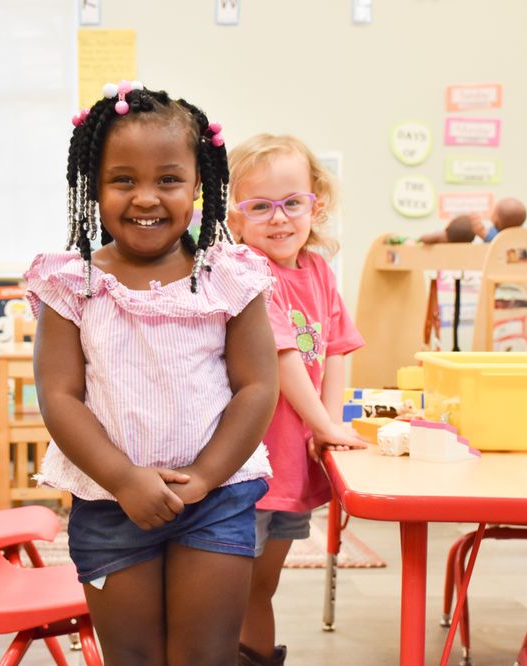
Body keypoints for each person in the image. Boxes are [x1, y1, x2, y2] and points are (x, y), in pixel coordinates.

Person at [26, 81, 280, 666]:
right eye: (123, 180)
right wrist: (123, 479)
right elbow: (59, 395)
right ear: (94, 187)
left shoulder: (230, 276)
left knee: (205, 656)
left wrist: (205, 475)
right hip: (110, 500)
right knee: (133, 657)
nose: (145, 198)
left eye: (168, 179)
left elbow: (257, 386)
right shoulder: (72, 281)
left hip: (217, 496)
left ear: (198, 186)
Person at [227, 134, 366, 665]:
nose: (278, 218)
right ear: (236, 220)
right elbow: (282, 358)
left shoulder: (318, 271)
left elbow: (336, 349)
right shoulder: (247, 272)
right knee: (232, 584)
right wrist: (325, 427)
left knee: (261, 586)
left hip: (293, 458)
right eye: (259, 207)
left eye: (292, 203)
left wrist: (326, 427)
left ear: (317, 203)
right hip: (250, 462)